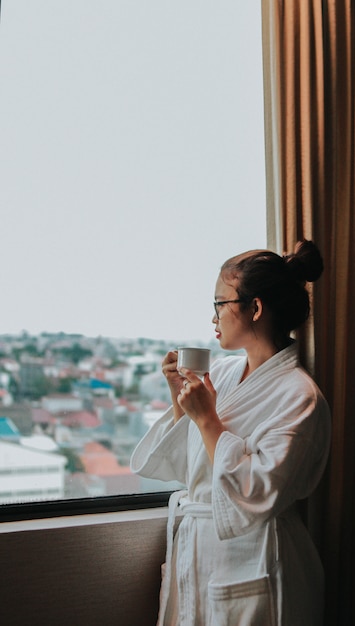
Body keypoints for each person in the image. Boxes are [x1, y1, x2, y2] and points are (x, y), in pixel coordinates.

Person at [130, 240, 331, 626]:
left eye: (219, 304)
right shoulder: (220, 374)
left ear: (254, 308)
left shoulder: (300, 396)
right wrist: (181, 401)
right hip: (201, 549)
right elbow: (189, 467)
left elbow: (258, 491)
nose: (213, 318)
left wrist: (207, 419)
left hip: (257, 556)